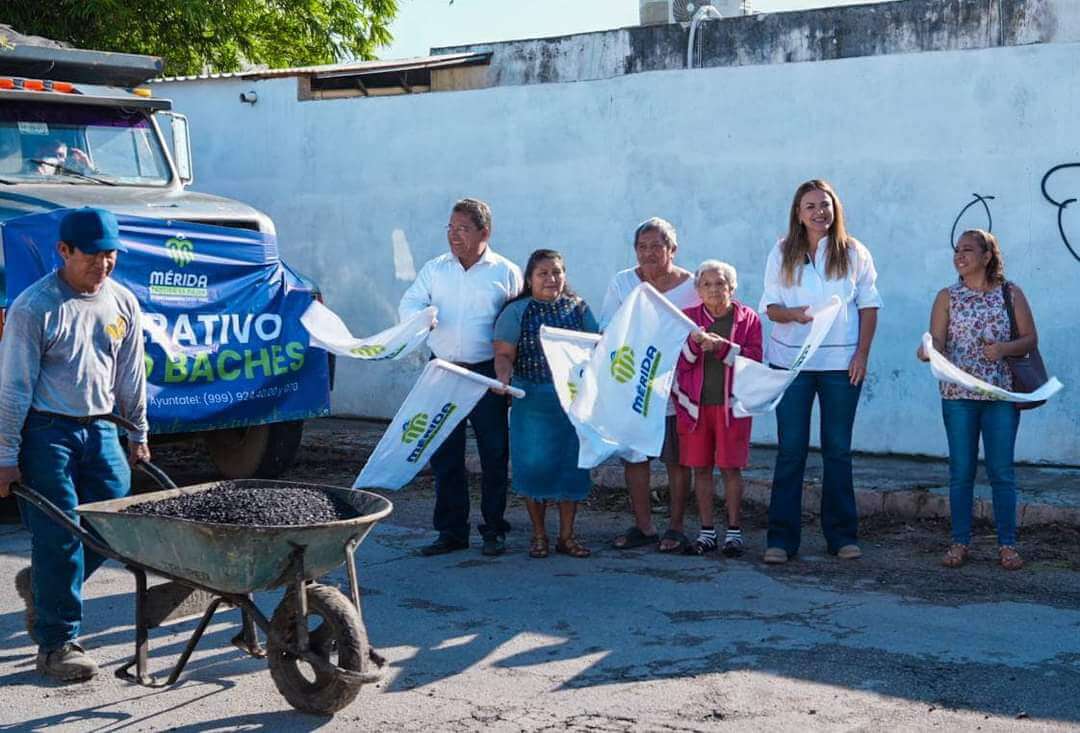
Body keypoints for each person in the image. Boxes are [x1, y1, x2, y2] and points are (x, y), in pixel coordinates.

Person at [0, 207, 149, 682]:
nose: (103, 265)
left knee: (113, 523)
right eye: (92, 256)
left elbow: (131, 372)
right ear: (63, 251)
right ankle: (56, 643)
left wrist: (138, 432)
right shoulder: (35, 307)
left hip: (101, 427)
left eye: (111, 256)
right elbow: (14, 387)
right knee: (60, 534)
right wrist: (5, 456)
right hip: (47, 432)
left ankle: (44, 591)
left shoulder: (122, 301)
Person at [760, 179, 882, 564]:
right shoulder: (782, 252)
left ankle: (842, 536)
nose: (819, 212)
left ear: (835, 209)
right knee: (791, 452)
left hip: (839, 367)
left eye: (825, 205)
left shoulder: (854, 252)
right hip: (792, 365)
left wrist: (861, 354)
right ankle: (781, 541)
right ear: (798, 212)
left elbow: (869, 305)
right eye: (810, 206)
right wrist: (791, 315)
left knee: (838, 451)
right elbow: (770, 307)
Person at [399, 198, 523, 557]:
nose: (454, 236)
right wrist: (423, 318)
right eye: (450, 228)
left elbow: (515, 320)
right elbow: (410, 303)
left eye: (463, 229)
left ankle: (494, 529)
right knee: (444, 452)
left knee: (494, 453)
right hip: (444, 371)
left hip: (487, 373)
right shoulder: (435, 269)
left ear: (485, 232)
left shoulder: (506, 272)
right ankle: (451, 531)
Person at [916, 229, 1034, 571]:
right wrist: (927, 351)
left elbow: (1029, 339)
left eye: (968, 249)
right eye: (956, 249)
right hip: (957, 397)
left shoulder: (1010, 295)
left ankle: (1007, 545)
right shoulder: (946, 297)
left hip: (999, 396)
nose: (959, 255)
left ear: (987, 256)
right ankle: (959, 542)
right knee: (961, 471)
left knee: (1002, 472)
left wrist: (1004, 349)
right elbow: (936, 341)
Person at [602, 217, 701, 553]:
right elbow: (609, 329)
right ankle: (643, 526)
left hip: (677, 387)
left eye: (657, 246)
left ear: (672, 250)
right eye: (642, 247)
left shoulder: (692, 284)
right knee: (635, 457)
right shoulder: (623, 282)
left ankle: (675, 527)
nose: (649, 253)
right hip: (635, 384)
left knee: (677, 459)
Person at [493, 249, 599, 558]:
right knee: (534, 468)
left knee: (572, 469)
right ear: (530, 279)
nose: (551, 279)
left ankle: (567, 536)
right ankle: (538, 536)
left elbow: (597, 348)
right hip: (532, 402)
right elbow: (503, 355)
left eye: (556, 272)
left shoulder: (578, 309)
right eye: (543, 273)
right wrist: (503, 379)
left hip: (572, 403)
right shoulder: (517, 312)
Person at [672, 261, 762, 557]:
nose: (713, 289)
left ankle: (734, 532)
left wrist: (721, 347)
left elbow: (754, 361)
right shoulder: (688, 319)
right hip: (695, 408)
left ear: (732, 287)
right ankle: (707, 531)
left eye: (720, 283)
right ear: (697, 289)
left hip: (732, 407)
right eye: (706, 284)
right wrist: (696, 345)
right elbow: (678, 364)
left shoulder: (748, 319)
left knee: (731, 468)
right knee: (701, 468)